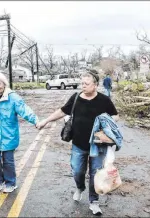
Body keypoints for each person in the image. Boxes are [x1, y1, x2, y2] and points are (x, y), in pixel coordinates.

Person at [36, 69, 119, 215]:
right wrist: (46, 120)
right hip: (78, 144)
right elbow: (62, 111)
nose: (83, 86)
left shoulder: (104, 100)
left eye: (86, 84)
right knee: (77, 171)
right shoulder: (75, 97)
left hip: (97, 145)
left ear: (95, 85)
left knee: (95, 173)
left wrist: (106, 126)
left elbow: (115, 116)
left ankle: (94, 201)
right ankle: (80, 187)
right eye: (82, 83)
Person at [0, 71, 38, 193]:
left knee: (8, 161)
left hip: (9, 135)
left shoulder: (13, 97)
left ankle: (10, 183)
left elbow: (24, 110)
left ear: (4, 84)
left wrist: (35, 120)